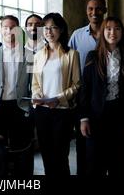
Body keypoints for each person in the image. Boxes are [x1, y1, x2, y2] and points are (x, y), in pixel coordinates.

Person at [79, 16, 124, 176]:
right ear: (103, 32)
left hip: (122, 118)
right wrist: (84, 118)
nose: (113, 32)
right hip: (96, 118)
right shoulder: (92, 57)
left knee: (120, 165)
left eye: (117, 28)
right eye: (108, 28)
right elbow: (85, 89)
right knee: (94, 166)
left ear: (122, 32)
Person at [0, 15, 34, 176]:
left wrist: (29, 109)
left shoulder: (29, 55)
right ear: (1, 30)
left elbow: (34, 85)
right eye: (5, 27)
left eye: (12, 27)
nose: (9, 31)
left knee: (22, 152)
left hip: (20, 108)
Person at [31, 13, 81, 177]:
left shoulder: (72, 54)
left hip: (62, 111)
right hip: (42, 111)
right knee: (47, 155)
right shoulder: (38, 55)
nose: (49, 31)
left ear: (61, 30)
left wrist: (57, 98)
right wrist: (37, 95)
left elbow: (77, 84)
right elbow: (35, 83)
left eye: (53, 27)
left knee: (60, 156)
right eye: (46, 28)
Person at [68, 0, 107, 175]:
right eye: (91, 9)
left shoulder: (112, 32)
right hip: (82, 98)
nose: (94, 12)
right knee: (83, 143)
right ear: (86, 11)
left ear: (105, 10)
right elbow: (67, 62)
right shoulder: (77, 36)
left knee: (102, 146)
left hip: (107, 99)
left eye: (99, 8)